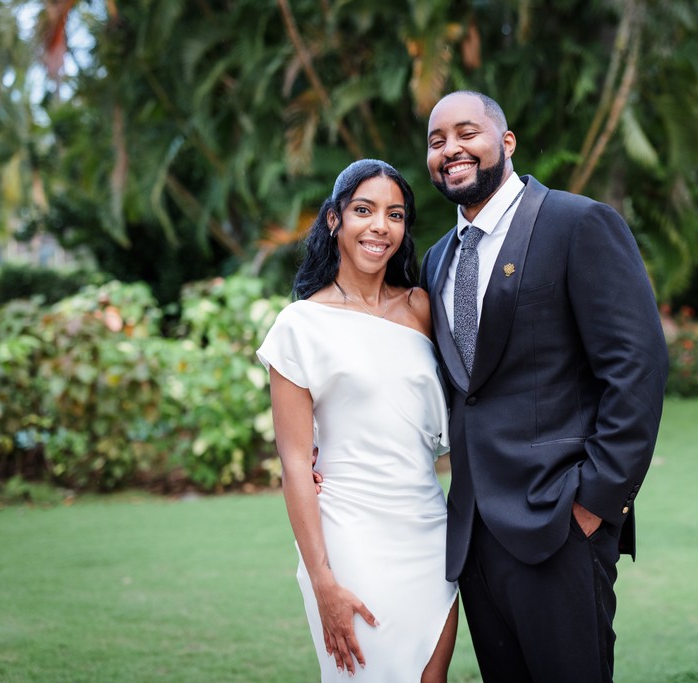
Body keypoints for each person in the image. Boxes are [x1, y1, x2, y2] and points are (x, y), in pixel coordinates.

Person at [419, 91, 669, 682]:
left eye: (466, 133)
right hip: (474, 537)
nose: (450, 149)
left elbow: (637, 369)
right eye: (435, 141)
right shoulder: (435, 260)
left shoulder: (578, 223)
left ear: (505, 143)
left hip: (560, 524)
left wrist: (595, 504)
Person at [257, 159, 458, 682]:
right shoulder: (301, 325)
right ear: (334, 220)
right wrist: (324, 581)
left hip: (429, 531)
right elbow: (296, 461)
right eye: (363, 210)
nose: (380, 226)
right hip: (350, 535)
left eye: (395, 214)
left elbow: (468, 408)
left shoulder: (422, 308)